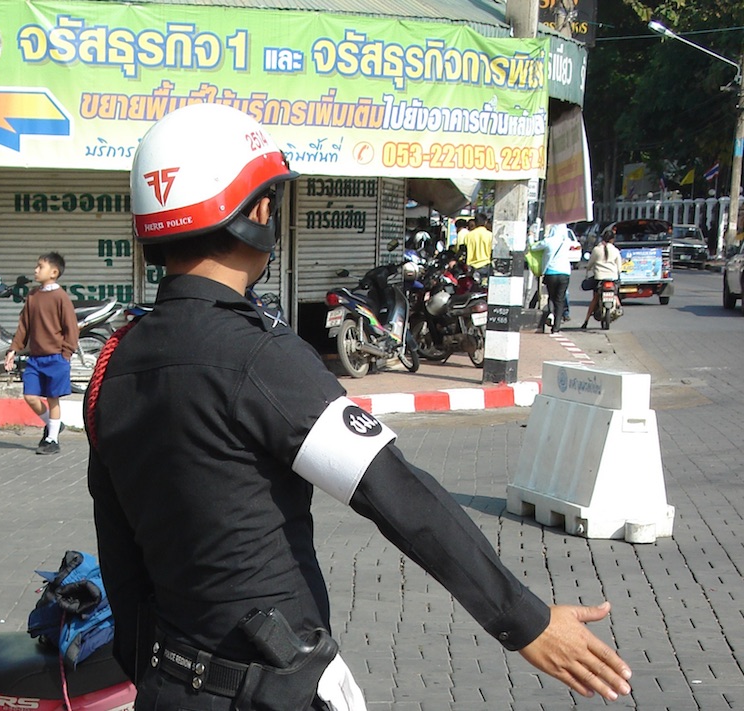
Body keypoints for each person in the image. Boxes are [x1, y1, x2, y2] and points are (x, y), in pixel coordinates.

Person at [86, 104, 632, 710]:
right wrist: (524, 620)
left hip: (166, 689)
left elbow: (121, 558)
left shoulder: (115, 365)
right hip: (267, 690)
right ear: (258, 212)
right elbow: (394, 492)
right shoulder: (258, 355)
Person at [5, 252, 79, 454]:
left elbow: (71, 328)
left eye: (40, 267)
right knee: (30, 396)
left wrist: (66, 353)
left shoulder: (61, 298)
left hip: (56, 357)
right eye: (36, 266)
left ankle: (52, 439)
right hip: (35, 359)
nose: (35, 270)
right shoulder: (33, 296)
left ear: (54, 272)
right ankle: (54, 424)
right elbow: (24, 326)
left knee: (53, 398)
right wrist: (14, 349)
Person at [581, 231, 623, 329]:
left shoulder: (596, 249)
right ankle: (619, 307)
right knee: (615, 294)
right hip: (612, 277)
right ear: (612, 240)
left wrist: (588, 269)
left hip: (599, 278)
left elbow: (590, 264)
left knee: (595, 298)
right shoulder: (616, 250)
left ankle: (586, 321)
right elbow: (619, 267)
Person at [535, 225, 571, 334]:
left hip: (551, 273)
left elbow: (533, 247)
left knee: (551, 297)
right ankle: (556, 327)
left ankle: (550, 315)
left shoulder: (548, 241)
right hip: (565, 273)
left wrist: (531, 237)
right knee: (560, 300)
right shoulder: (567, 242)